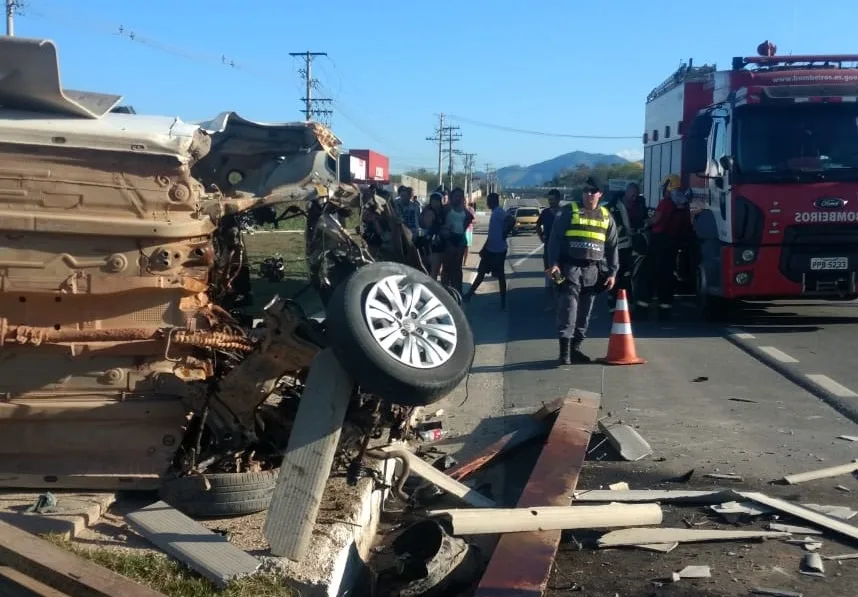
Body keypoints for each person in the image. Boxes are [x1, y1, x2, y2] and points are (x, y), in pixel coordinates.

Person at [547, 177, 618, 365]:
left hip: (593, 272)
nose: (588, 194)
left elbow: (612, 247)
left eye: (593, 191)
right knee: (569, 308)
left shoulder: (606, 216)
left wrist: (612, 272)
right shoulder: (569, 211)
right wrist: (553, 264)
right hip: (570, 269)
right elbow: (554, 240)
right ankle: (564, 353)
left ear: (600, 194)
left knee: (585, 312)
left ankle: (575, 348)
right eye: (585, 190)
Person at [635, 174, 692, 320]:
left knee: (647, 276)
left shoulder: (665, 202)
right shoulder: (684, 205)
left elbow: (656, 219)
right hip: (673, 245)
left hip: (659, 244)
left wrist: (644, 222)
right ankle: (664, 312)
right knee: (667, 278)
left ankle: (642, 311)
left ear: (668, 186)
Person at [463, 192, 508, 308]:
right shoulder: (494, 213)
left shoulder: (499, 212)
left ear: (493, 201)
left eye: (488, 201)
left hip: (498, 250)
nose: (487, 203)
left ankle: (503, 300)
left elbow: (511, 220)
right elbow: (492, 233)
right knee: (481, 272)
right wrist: (484, 247)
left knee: (500, 275)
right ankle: (469, 294)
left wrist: (505, 233)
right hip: (490, 248)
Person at [608, 182, 647, 312]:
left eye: (636, 195)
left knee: (628, 277)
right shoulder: (614, 206)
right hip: (617, 247)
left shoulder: (640, 205)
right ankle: (613, 305)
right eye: (632, 195)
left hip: (632, 245)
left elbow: (644, 220)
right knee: (616, 275)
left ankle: (627, 303)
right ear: (627, 193)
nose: (634, 198)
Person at [440, 187, 474, 291]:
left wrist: (462, 229)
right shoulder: (446, 208)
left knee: (457, 267)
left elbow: (469, 220)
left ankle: (458, 290)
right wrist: (444, 228)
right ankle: (445, 290)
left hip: (460, 240)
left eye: (460, 196)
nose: (458, 198)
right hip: (449, 239)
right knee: (446, 266)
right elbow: (438, 221)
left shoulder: (465, 211)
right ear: (452, 197)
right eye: (456, 196)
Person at [537, 189, 563, 310]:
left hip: (562, 251)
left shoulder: (564, 212)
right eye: (549, 200)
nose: (551, 202)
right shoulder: (545, 213)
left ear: (559, 199)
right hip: (548, 250)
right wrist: (541, 236)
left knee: (560, 278)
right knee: (548, 277)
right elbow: (538, 225)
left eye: (553, 200)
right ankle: (551, 303)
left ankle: (561, 302)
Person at [421, 191, 446, 279]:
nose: (435, 203)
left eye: (437, 201)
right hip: (430, 243)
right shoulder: (429, 212)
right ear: (430, 202)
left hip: (440, 242)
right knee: (432, 269)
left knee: (435, 269)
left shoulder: (443, 212)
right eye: (433, 201)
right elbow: (427, 226)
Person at [463, 200, 476, 267]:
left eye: (465, 202)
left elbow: (474, 220)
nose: (464, 203)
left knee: (467, 246)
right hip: (460, 230)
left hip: (468, 230)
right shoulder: (459, 208)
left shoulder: (470, 209)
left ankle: (465, 261)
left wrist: (468, 221)